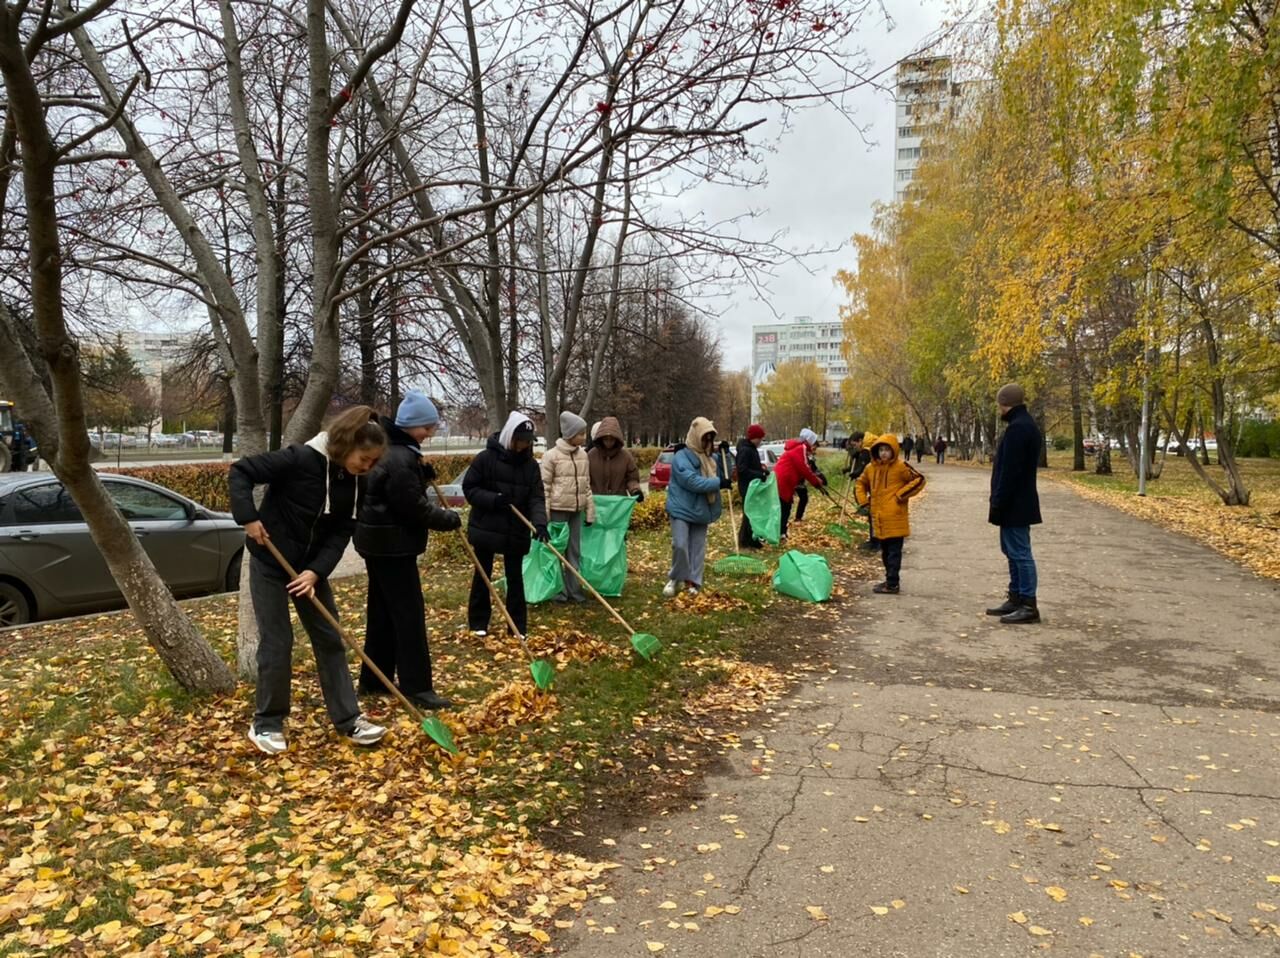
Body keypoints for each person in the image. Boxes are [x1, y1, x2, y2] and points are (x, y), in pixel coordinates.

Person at [229, 405, 389, 756]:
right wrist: (248, 517)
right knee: (278, 641)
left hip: (309, 570)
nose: (368, 467)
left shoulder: (355, 481)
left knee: (330, 638)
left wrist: (316, 571)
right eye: (365, 458)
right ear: (347, 444)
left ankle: (349, 720)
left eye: (373, 462)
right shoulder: (300, 459)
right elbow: (241, 472)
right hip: (271, 561)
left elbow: (342, 529)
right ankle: (267, 723)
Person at [354, 392, 462, 710]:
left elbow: (399, 494)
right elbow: (411, 508)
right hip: (393, 547)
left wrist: (422, 478)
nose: (429, 434)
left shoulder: (393, 450)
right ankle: (418, 687)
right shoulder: (400, 457)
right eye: (426, 428)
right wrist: (447, 519)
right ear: (411, 426)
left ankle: (375, 680)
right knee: (408, 616)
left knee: (383, 614)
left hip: (378, 544)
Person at [463, 411, 549, 636]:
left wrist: (540, 523)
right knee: (483, 574)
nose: (522, 446)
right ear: (509, 436)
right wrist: (494, 500)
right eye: (519, 440)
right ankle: (478, 623)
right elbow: (470, 489)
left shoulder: (531, 466)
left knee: (515, 578)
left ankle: (517, 626)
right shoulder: (485, 459)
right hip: (486, 526)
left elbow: (536, 497)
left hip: (515, 530)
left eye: (526, 442)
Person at [986, 383, 1043, 624]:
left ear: (1006, 403)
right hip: (1017, 501)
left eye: (1000, 404)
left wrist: (998, 500)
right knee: (1011, 551)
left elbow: (1010, 471)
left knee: (1020, 552)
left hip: (1015, 503)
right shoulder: (1023, 426)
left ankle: (1028, 604)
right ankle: (1016, 597)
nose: (999, 408)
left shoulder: (1019, 429)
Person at [663, 417, 731, 598]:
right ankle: (676, 577)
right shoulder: (681, 457)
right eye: (704, 438)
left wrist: (727, 455)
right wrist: (719, 482)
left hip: (702, 508)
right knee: (680, 545)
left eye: (710, 439)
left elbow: (727, 476)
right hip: (681, 508)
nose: (707, 443)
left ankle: (693, 581)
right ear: (695, 436)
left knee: (697, 547)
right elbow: (692, 481)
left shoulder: (712, 458)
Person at [855, 434, 926, 595]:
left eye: (887, 450)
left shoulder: (900, 467)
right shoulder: (871, 468)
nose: (884, 453)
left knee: (894, 552)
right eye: (881, 450)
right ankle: (889, 580)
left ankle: (893, 583)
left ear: (893, 450)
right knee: (885, 552)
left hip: (895, 517)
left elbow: (919, 480)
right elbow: (860, 483)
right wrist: (864, 502)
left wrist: (900, 495)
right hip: (878, 518)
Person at [541, 411, 596, 604]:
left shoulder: (583, 456)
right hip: (558, 510)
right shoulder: (551, 456)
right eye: (580, 433)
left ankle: (574, 590)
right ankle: (559, 591)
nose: (584, 437)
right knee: (557, 551)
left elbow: (586, 485)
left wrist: (590, 511)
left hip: (576, 511)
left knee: (574, 551)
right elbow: (545, 486)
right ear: (570, 434)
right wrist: (545, 514)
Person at [773, 428, 825, 540]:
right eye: (815, 444)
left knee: (785, 506)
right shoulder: (800, 448)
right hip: (783, 481)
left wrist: (817, 482)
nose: (815, 447)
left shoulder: (800, 449)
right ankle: (779, 533)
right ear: (810, 441)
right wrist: (816, 482)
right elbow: (805, 469)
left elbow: (804, 469)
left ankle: (780, 532)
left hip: (785, 481)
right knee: (784, 507)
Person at [588, 416, 642, 500]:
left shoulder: (625, 456)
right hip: (596, 504)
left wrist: (635, 490)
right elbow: (585, 480)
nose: (608, 442)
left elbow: (632, 478)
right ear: (601, 438)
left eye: (612, 439)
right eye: (606, 439)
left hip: (618, 505)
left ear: (617, 439)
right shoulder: (591, 455)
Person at [735, 424, 767, 548]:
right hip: (747, 486)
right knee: (749, 514)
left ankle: (752, 539)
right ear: (754, 437)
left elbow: (752, 466)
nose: (760, 441)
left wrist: (762, 471)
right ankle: (745, 541)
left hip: (752, 486)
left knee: (752, 513)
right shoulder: (745, 450)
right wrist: (759, 474)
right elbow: (742, 470)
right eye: (759, 438)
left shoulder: (751, 448)